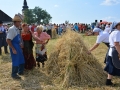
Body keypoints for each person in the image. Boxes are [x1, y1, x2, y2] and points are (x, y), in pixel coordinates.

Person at [6, 14, 25, 79]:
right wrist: (13, 49)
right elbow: (8, 40)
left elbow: (19, 38)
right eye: (19, 22)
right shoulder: (12, 29)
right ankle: (14, 74)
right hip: (14, 46)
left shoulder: (17, 29)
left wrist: (21, 43)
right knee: (16, 60)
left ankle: (20, 71)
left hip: (18, 46)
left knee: (21, 58)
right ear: (15, 22)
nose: (20, 23)